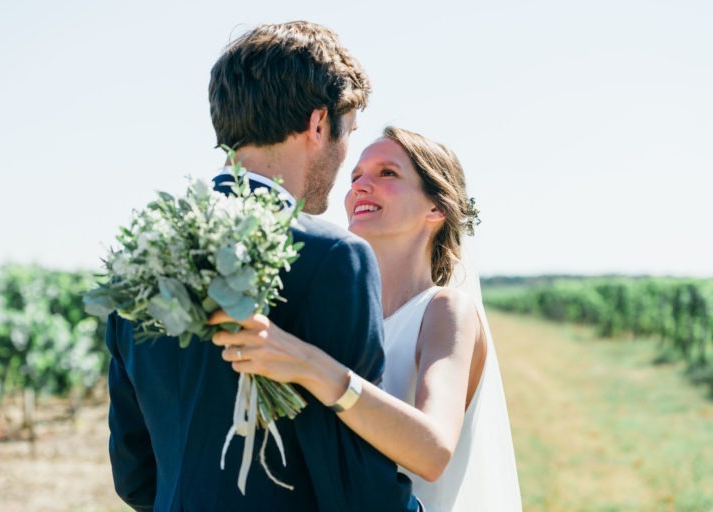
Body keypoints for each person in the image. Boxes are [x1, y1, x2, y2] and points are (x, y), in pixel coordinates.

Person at [105, 21, 420, 512]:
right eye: (348, 134)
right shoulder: (335, 257)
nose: (344, 160)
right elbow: (357, 479)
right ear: (319, 125)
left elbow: (134, 476)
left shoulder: (140, 259)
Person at [211, 126, 523, 511]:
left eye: (386, 173)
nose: (360, 185)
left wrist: (308, 364)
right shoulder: (349, 311)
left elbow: (433, 451)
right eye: (355, 175)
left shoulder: (445, 310)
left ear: (436, 208)